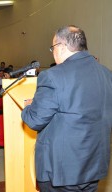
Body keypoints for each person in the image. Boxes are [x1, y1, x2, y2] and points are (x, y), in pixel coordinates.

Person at [22, 25, 112, 191]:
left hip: (61, 171)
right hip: (93, 167)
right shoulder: (107, 74)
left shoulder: (52, 76)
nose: (53, 52)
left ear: (61, 47)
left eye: (53, 48)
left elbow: (35, 120)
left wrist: (28, 106)